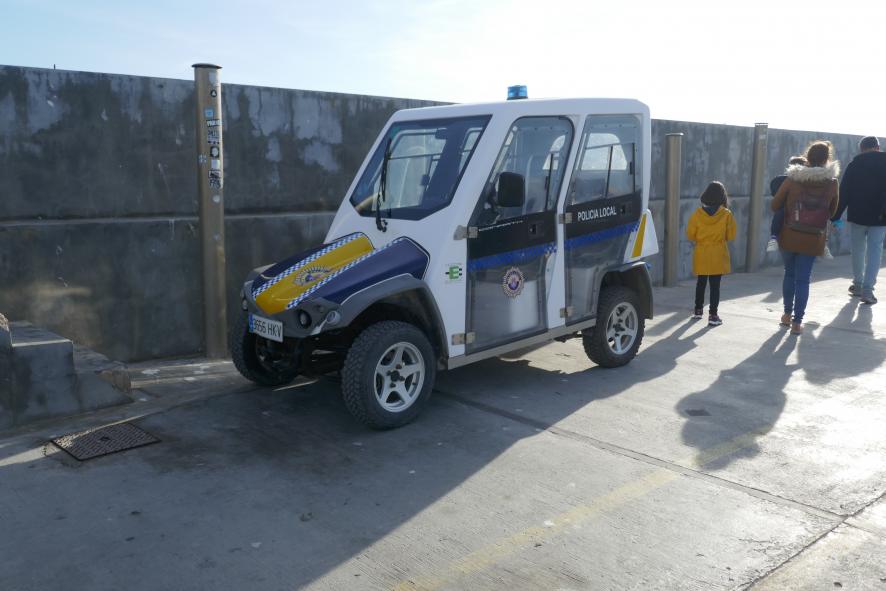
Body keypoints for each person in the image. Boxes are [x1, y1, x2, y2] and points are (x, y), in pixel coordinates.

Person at [772, 141, 840, 334]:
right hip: (813, 238)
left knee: (789, 274)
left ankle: (786, 315)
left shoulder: (793, 178)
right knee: (803, 279)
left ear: (807, 156)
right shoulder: (832, 183)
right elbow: (833, 212)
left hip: (789, 235)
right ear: (827, 159)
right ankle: (797, 322)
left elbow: (775, 205)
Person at [831, 135, 886, 304]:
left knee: (858, 250)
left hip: (858, 215)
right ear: (878, 147)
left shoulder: (854, 165)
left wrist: (836, 216)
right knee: (875, 251)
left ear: (861, 149)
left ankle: (858, 285)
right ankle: (868, 291)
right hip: (880, 216)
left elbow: (844, 192)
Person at [687, 181, 737, 326]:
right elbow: (731, 235)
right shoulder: (726, 214)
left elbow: (690, 234)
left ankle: (698, 310)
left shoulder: (697, 214)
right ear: (722, 196)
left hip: (701, 252)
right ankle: (713, 315)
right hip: (718, 253)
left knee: (701, 283)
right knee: (715, 286)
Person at [768, 156, 808, 253]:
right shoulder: (785, 180)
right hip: (797, 213)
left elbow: (774, 196)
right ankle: (774, 237)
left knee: (780, 213)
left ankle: (773, 237)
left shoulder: (782, 180)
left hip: (791, 213)